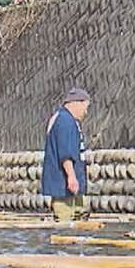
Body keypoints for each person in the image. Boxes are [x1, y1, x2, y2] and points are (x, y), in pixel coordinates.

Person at [41, 87, 91, 223]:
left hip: (70, 184)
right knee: (65, 220)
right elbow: (65, 153)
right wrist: (71, 177)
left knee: (81, 213)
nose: (85, 112)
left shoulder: (64, 118)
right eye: (85, 107)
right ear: (76, 103)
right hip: (64, 185)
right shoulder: (65, 121)